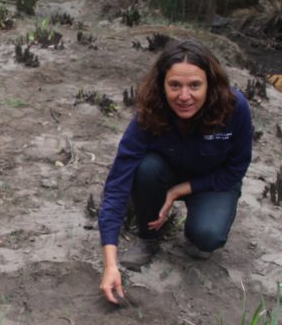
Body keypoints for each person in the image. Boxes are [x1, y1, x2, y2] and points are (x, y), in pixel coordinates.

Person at [98, 39, 253, 304]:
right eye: (174, 86)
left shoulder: (234, 107)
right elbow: (117, 184)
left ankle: (199, 227)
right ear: (162, 86)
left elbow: (236, 168)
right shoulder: (149, 113)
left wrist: (179, 191)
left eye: (194, 85)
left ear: (210, 84)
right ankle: (149, 238)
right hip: (163, 173)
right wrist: (110, 263)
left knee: (207, 238)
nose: (184, 96)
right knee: (145, 168)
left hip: (213, 181)